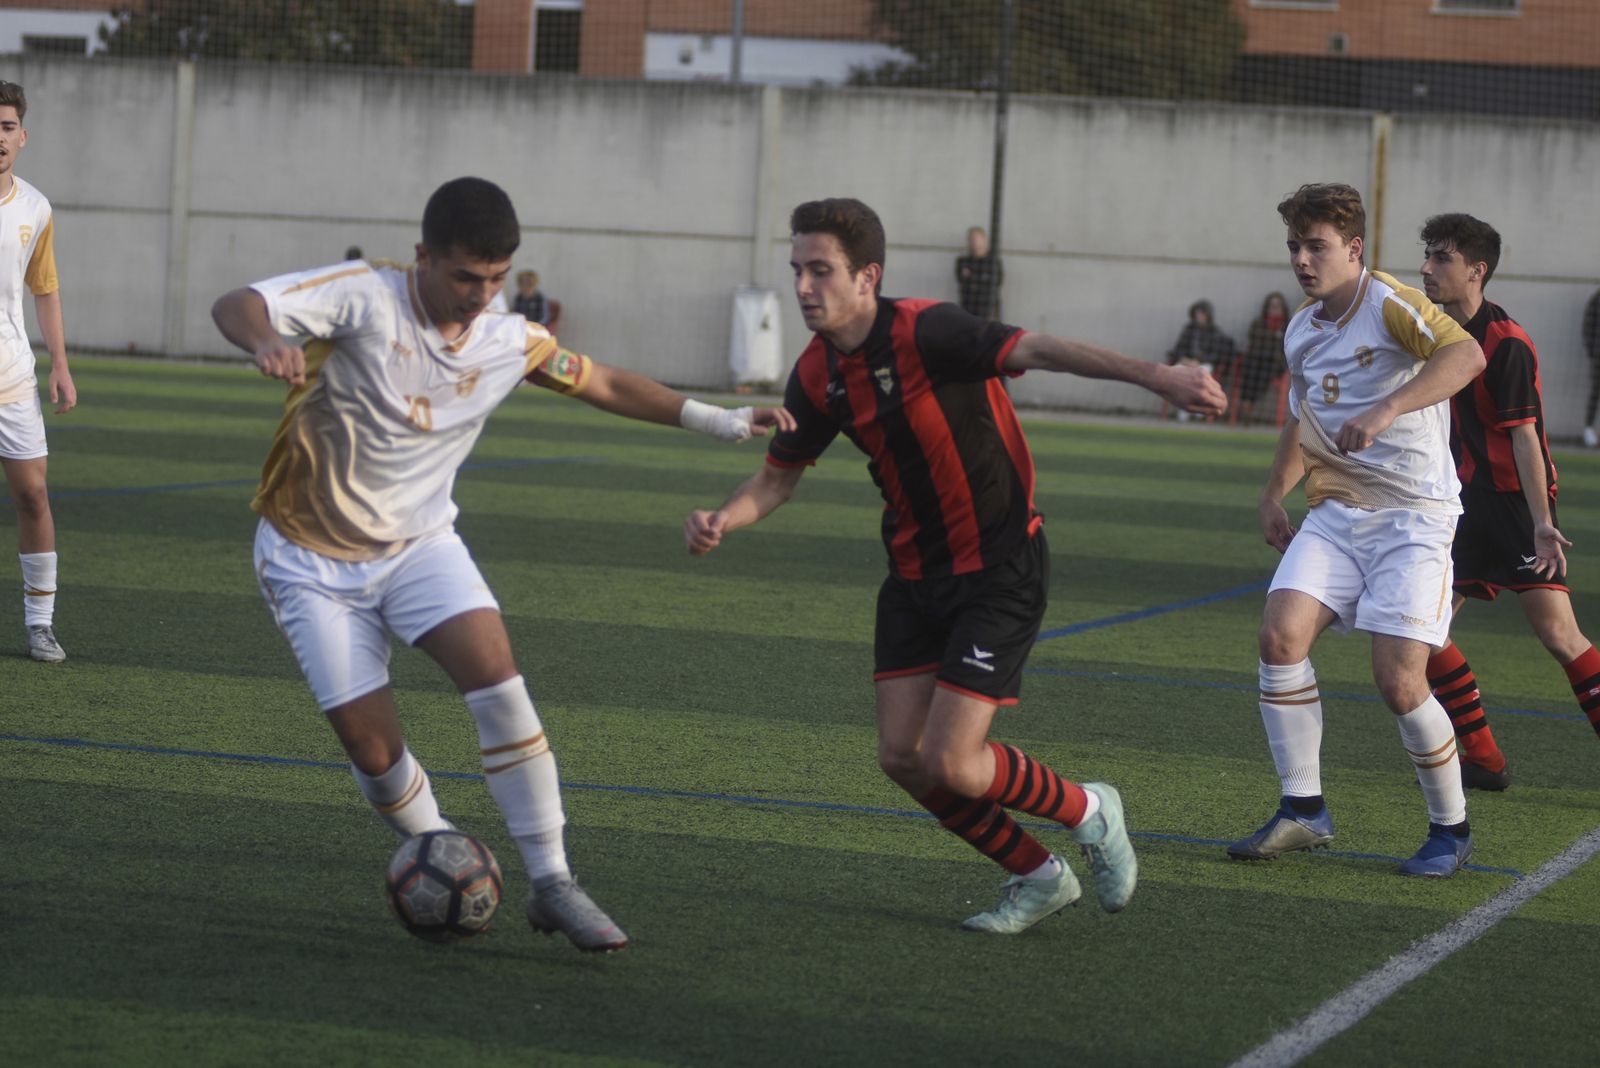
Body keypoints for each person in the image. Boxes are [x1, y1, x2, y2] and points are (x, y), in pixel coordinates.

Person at [211, 177, 792, 953]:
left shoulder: (508, 339)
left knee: (499, 682)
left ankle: (553, 882)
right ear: (423, 257)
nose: (479, 295)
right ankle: (445, 850)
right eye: (463, 277)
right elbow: (238, 301)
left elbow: (606, 382)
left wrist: (720, 420)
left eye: (493, 279)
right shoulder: (362, 297)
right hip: (308, 561)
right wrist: (264, 342)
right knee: (374, 753)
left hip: (421, 547)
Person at [684, 197, 1227, 934]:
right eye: (797, 270)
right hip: (912, 576)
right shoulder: (815, 374)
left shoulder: (928, 329)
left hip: (998, 566)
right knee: (902, 758)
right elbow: (779, 478)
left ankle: (1091, 808)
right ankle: (1038, 876)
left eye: (821, 271)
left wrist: (1156, 376)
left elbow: (1038, 349)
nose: (804, 287)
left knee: (955, 763)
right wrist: (726, 517)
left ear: (867, 276)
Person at [1227, 183, 1487, 878]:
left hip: (1417, 518)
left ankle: (1450, 828)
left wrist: (1386, 410)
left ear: (1353, 249)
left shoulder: (1392, 303)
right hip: (1339, 512)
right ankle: (1303, 810)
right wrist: (1271, 496)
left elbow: (1466, 358)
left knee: (1399, 680)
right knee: (1280, 635)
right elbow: (1300, 416)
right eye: (1294, 247)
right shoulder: (1301, 329)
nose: (1303, 261)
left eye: (1316, 247)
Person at [1417, 213, 1600, 791]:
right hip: (1465, 505)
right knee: (1422, 635)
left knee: (1560, 637)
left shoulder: (1507, 342)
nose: (1426, 267)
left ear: (1478, 270)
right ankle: (1485, 759)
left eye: (1441, 258)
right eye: (1427, 255)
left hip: (1518, 507)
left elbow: (1524, 438)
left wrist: (1542, 524)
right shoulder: (1438, 333)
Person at [0, 80, 75, 663]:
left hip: (11, 379)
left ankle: (39, 624)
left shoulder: (35, 208)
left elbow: (45, 291)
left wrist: (61, 366)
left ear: (22, 137)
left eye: (6, 128)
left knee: (33, 496)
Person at [1166, 300, 1235, 421]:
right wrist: (1184, 359)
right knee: (1176, 371)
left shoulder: (1214, 332)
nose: (1199, 317)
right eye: (1197, 314)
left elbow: (1216, 354)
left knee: (1202, 374)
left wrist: (1199, 361)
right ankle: (1184, 410)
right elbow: (1178, 349)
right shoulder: (1189, 330)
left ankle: (1198, 411)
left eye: (1202, 314)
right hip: (1186, 363)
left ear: (1208, 315)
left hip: (1204, 364)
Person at [1239, 292, 1289, 424]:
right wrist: (1273, 336)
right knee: (1251, 366)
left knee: (1266, 367)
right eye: (1272, 306)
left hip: (1275, 362)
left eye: (1277, 306)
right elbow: (1255, 340)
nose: (1275, 309)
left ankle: (1248, 404)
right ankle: (1247, 403)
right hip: (1257, 358)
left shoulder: (1288, 325)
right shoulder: (1259, 323)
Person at [954, 225, 1002, 320]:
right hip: (967, 309)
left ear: (984, 240)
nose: (974, 242)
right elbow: (961, 281)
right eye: (971, 239)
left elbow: (997, 282)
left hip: (987, 311)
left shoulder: (993, 262)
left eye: (976, 238)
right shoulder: (963, 261)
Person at [512, 269, 560, 334]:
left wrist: (534, 327)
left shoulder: (540, 298)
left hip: (537, 329)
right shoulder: (518, 297)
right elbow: (515, 314)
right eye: (523, 283)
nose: (526, 286)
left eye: (529, 283)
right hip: (522, 328)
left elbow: (544, 318)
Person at [1582, 285, 1600, 447]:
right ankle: (1588, 429)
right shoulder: (1597, 299)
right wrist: (1593, 351)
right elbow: (1587, 326)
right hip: (1598, 356)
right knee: (1596, 392)